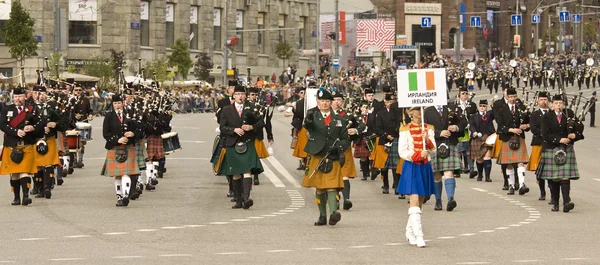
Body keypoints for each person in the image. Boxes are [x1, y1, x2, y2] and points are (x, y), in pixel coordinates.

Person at [302, 88, 350, 226]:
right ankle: (322, 215)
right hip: (317, 155)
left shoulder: (339, 120)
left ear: (331, 102)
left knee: (332, 186)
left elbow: (346, 139)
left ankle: (334, 213)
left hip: (332, 156)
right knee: (319, 188)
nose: (324, 103)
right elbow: (307, 125)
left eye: (327, 101)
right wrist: (308, 118)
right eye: (322, 101)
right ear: (318, 101)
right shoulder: (313, 116)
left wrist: (339, 147)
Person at [218, 85, 264, 209]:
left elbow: (261, 122)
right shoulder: (227, 110)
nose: (240, 96)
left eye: (242, 94)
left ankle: (246, 198)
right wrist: (234, 130)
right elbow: (222, 127)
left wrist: (251, 127)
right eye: (238, 94)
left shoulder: (252, 108)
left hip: (247, 141)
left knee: (247, 171)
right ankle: (238, 200)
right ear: (234, 95)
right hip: (232, 143)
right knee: (235, 173)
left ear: (245, 95)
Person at [397, 106, 436, 248]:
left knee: (420, 202)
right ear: (410, 113)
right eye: (416, 110)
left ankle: (409, 232)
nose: (419, 113)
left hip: (424, 166)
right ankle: (419, 235)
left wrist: (428, 141)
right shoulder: (405, 129)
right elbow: (402, 151)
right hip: (412, 165)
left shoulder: (429, 128)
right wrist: (418, 155)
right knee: (413, 198)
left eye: (421, 110)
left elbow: (434, 149)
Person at [538, 94, 583, 212]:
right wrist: (559, 139)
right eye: (556, 103)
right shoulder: (547, 116)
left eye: (560, 103)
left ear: (563, 104)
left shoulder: (569, 115)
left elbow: (580, 129)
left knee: (565, 177)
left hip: (566, 148)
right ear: (552, 105)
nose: (558, 105)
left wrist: (575, 135)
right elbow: (545, 134)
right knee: (554, 178)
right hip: (551, 148)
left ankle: (566, 202)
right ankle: (555, 202)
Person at [0, 87, 44, 205]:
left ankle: (26, 196)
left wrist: (32, 128)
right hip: (11, 145)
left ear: (25, 97)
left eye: (19, 96)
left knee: (25, 171)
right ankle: (16, 198)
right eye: (15, 97)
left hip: (27, 144)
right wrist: (16, 132)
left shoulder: (31, 109)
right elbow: (2, 125)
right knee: (14, 173)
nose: (17, 99)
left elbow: (41, 123)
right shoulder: (7, 109)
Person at [424, 102, 467, 211]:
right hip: (434, 145)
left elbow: (464, 121)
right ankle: (438, 200)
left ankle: (450, 199)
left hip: (450, 143)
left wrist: (456, 127)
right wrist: (439, 133)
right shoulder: (427, 111)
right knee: (437, 175)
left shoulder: (452, 107)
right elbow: (424, 129)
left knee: (449, 172)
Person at [101, 94, 140, 207]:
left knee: (126, 173)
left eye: (119, 103)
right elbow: (106, 133)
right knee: (118, 175)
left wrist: (133, 134)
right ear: (112, 105)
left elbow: (139, 129)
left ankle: (126, 195)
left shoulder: (129, 114)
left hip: (128, 147)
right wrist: (118, 139)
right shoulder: (109, 116)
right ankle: (119, 196)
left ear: (123, 103)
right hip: (115, 147)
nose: (117, 106)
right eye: (115, 104)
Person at [495, 88, 530, 195]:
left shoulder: (521, 108)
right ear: (507, 97)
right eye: (510, 97)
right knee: (509, 164)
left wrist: (526, 126)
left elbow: (530, 123)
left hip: (519, 138)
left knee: (520, 162)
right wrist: (511, 130)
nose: (512, 99)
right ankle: (511, 185)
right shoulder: (502, 110)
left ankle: (522, 184)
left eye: (514, 97)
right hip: (507, 138)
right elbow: (500, 126)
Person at [527, 92, 550, 200]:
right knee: (539, 169)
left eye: (545, 99)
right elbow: (533, 128)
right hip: (538, 143)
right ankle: (542, 191)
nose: (543, 102)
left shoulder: (552, 113)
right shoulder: (534, 114)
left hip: (551, 144)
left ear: (548, 100)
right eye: (541, 99)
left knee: (551, 169)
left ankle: (552, 192)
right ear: (537, 100)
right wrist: (546, 133)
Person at [468, 99, 495, 182]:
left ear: (486, 107)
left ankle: (487, 176)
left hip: (488, 138)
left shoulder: (489, 115)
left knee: (487, 157)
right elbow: (471, 126)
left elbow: (495, 113)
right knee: (479, 159)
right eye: (481, 106)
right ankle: (480, 175)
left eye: (484, 106)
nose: (482, 108)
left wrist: (493, 105)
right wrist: (474, 132)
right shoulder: (474, 116)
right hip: (477, 139)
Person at [70, 86, 94, 169]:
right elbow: (68, 111)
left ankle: (80, 160)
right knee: (73, 143)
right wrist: (74, 115)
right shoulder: (71, 99)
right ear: (73, 91)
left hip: (83, 122)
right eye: (76, 90)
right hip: (72, 123)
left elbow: (89, 110)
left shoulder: (85, 100)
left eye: (80, 90)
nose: (78, 91)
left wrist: (90, 115)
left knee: (81, 143)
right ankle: (75, 161)